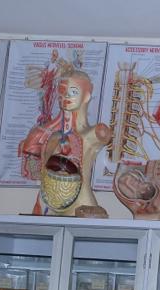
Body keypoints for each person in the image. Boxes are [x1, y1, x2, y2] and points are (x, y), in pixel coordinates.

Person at [23, 70, 110, 217]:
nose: (67, 96)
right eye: (63, 91)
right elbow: (37, 172)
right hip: (49, 205)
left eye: (74, 92)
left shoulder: (95, 133)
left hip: (82, 206)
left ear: (86, 96)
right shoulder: (48, 136)